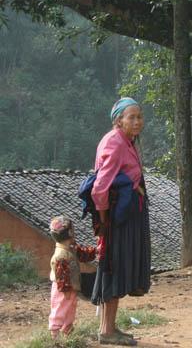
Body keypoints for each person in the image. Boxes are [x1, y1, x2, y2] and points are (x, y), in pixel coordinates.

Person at [91, 97, 151, 346]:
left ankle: (110, 328)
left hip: (126, 215)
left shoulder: (128, 141)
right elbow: (99, 188)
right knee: (114, 269)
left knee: (117, 268)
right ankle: (106, 331)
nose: (137, 122)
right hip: (117, 220)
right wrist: (104, 221)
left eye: (139, 117)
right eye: (131, 117)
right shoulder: (115, 143)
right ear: (119, 120)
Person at [48, 216, 97, 341]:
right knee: (60, 307)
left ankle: (67, 328)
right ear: (70, 233)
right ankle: (54, 332)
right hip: (63, 289)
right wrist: (65, 291)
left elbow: (82, 254)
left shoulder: (71, 248)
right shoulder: (61, 255)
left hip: (71, 287)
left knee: (70, 308)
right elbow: (61, 276)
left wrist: (95, 251)